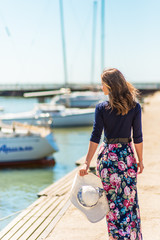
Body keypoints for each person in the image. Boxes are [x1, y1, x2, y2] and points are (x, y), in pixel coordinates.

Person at [79, 68, 144, 240]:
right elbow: (137, 137)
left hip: (107, 158)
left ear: (110, 85)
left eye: (102, 84)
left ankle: (115, 237)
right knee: (128, 202)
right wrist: (140, 160)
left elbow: (95, 136)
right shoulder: (135, 107)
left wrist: (87, 162)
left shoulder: (101, 108)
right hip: (126, 158)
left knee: (112, 203)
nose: (101, 88)